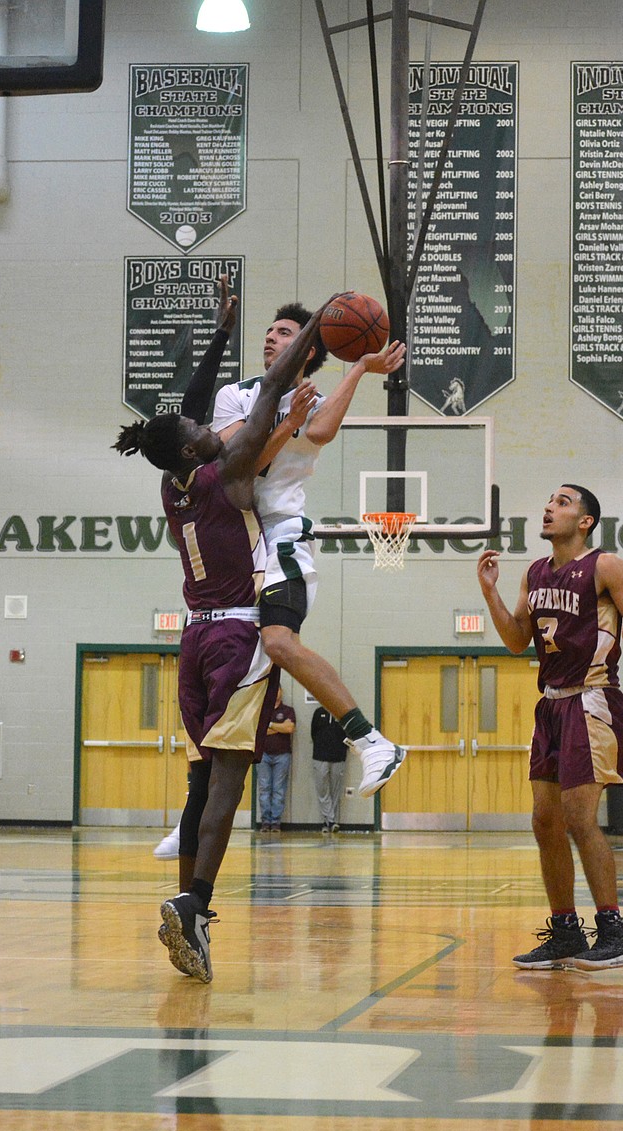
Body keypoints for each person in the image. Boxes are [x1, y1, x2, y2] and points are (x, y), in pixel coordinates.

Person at [113, 278, 326, 983]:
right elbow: (266, 399)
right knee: (230, 781)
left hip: (194, 642)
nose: (212, 428)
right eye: (202, 432)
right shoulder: (225, 477)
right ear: (193, 450)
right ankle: (197, 902)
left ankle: (186, 905)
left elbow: (193, 407)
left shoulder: (173, 483)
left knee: (200, 779)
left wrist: (219, 333)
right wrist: (313, 329)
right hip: (236, 637)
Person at [211, 302, 408, 799]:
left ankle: (371, 741)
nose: (270, 337)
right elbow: (239, 464)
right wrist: (286, 424)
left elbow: (320, 432)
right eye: (269, 330)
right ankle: (196, 810)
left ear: (308, 348)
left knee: (279, 643)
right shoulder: (235, 395)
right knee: (230, 672)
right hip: (235, 546)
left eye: (284, 332)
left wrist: (359, 368)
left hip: (282, 536)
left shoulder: (315, 401)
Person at [477, 483, 623, 970]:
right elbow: (517, 640)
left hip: (593, 698)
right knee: (544, 821)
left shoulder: (605, 566)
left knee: (579, 817)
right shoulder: (535, 573)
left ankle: (614, 932)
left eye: (562, 503)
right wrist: (490, 593)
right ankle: (565, 932)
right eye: (549, 501)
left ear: (585, 521)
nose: (549, 507)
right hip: (551, 704)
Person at [256, 687, 296, 834]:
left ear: (281, 692)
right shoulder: (261, 710)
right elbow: (258, 730)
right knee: (264, 788)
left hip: (282, 755)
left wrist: (270, 725)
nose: (276, 692)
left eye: (278, 690)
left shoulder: (288, 711)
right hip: (263, 755)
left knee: (279, 789)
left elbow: (289, 728)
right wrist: (280, 728)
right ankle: (265, 822)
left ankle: (275, 822)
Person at [311, 703, 348, 833]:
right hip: (320, 757)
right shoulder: (318, 713)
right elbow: (313, 733)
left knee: (335, 791)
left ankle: (327, 822)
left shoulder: (343, 713)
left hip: (338, 757)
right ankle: (331, 821)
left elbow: (348, 734)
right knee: (322, 790)